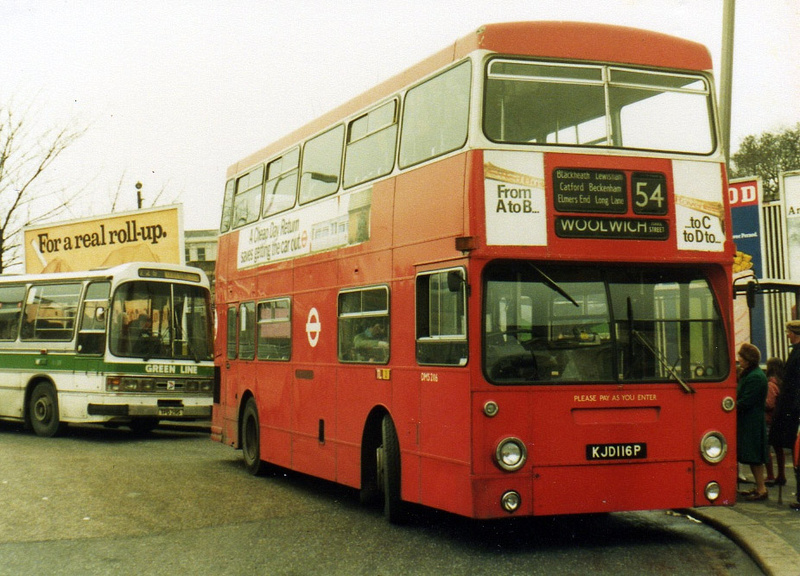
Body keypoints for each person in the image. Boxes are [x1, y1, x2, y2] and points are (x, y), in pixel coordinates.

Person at [736, 342, 769, 501]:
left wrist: (732, 406)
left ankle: (761, 489)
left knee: (755, 456)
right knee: (752, 455)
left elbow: (746, 401)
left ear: (748, 359)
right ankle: (759, 487)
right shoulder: (750, 373)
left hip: (752, 422)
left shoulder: (755, 376)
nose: (739, 360)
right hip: (749, 421)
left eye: (741, 357)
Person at [764, 357, 785, 485]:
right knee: (779, 449)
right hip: (779, 419)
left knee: (767, 448)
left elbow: (769, 404)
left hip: (768, 420)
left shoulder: (770, 384)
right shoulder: (782, 383)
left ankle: (770, 475)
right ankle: (781, 475)